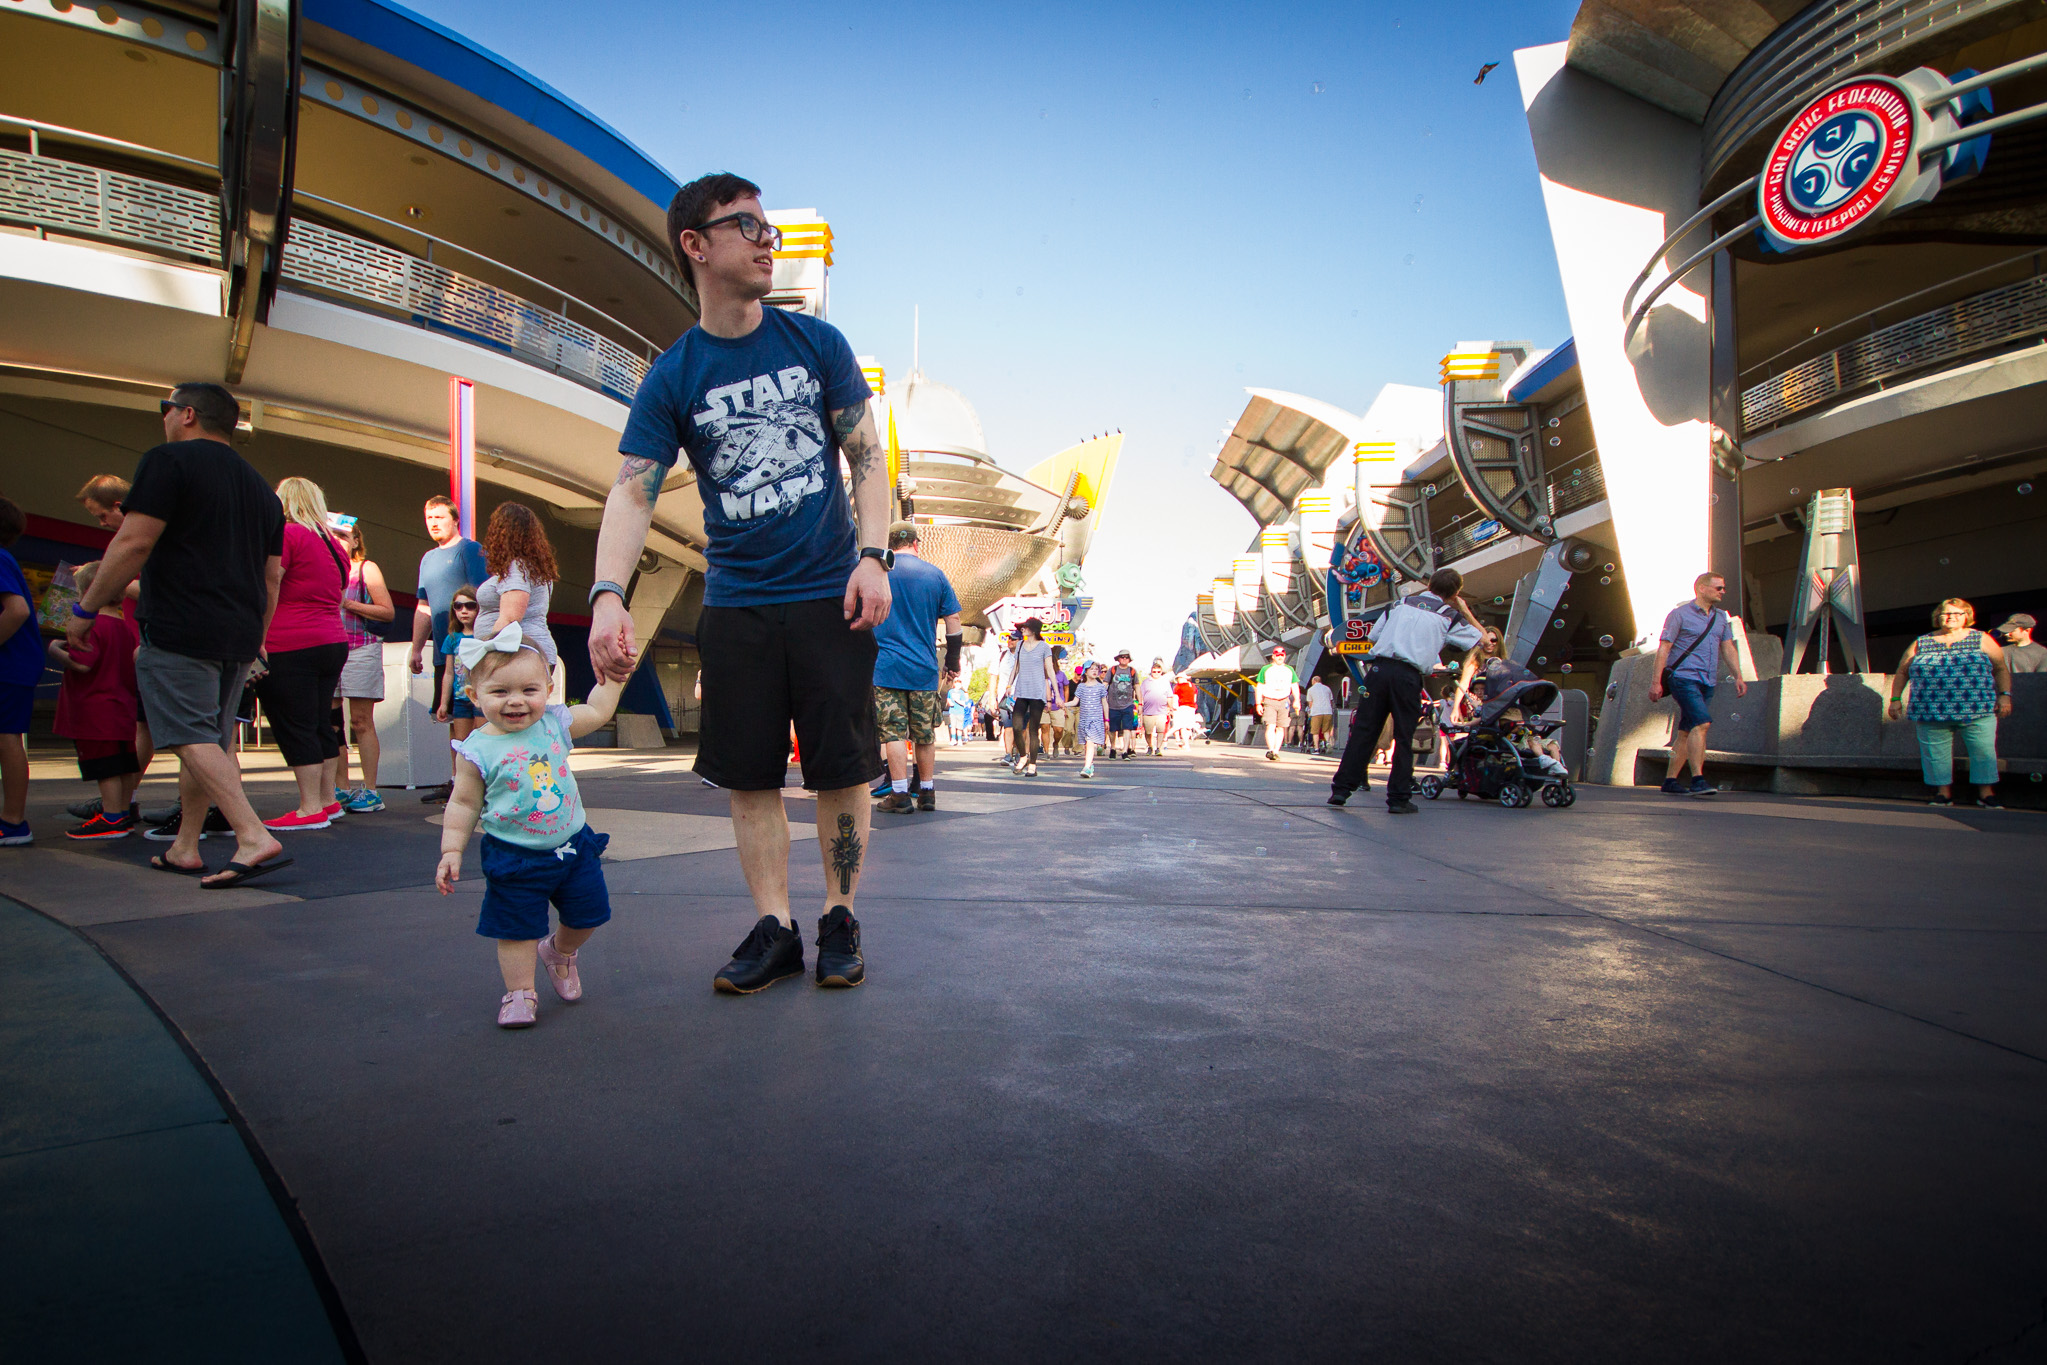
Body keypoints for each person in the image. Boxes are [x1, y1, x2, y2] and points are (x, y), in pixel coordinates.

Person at [590, 171, 892, 994]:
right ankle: (776, 926)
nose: (769, 241)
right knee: (749, 774)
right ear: (695, 245)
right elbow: (631, 490)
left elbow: (867, 460)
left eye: (769, 228)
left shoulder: (814, 345)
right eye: (748, 226)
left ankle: (836, 916)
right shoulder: (674, 375)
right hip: (738, 605)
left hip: (829, 592)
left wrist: (875, 555)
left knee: (840, 767)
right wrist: (607, 594)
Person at [68, 383, 290, 886]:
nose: (163, 419)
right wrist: (258, 633)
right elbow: (271, 576)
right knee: (209, 740)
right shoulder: (262, 490)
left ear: (187, 414)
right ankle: (185, 846)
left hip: (181, 624)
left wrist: (86, 607)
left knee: (188, 736)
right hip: (239, 631)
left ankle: (252, 835)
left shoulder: (167, 462)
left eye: (165, 410)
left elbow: (133, 541)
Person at [435, 626, 625, 1027]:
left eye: (529, 690)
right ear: (474, 696)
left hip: (572, 847)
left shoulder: (554, 725)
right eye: (500, 692)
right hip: (514, 857)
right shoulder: (477, 749)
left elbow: (599, 710)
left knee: (588, 915)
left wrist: (616, 676)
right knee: (517, 930)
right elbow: (464, 802)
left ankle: (559, 951)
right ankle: (520, 992)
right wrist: (451, 849)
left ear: (549, 689)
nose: (516, 701)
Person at [1329, 568, 1484, 813]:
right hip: (1408, 677)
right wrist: (1463, 608)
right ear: (1455, 592)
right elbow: (1483, 640)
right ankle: (1398, 798)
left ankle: (1341, 790)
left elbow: (1374, 634)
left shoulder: (1399, 604)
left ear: (1430, 583)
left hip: (1378, 671)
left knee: (1364, 731)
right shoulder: (1448, 615)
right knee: (1404, 736)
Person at [251, 478, 352, 831]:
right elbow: (339, 595)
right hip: (331, 640)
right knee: (320, 720)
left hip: (290, 642)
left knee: (294, 725)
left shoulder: (288, 535)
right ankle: (327, 800)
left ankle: (310, 807)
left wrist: (258, 636)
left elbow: (271, 580)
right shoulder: (335, 546)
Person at [68, 475, 158, 821]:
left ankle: (120, 802)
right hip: (135, 637)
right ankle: (121, 799)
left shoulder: (140, 539)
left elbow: (155, 591)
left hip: (146, 640)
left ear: (118, 507)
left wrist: (107, 583)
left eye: (102, 516)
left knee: (141, 726)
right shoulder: (129, 541)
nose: (102, 523)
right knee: (139, 726)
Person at [870, 521, 962, 814]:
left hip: (886, 667)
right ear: (916, 544)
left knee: (894, 732)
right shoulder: (935, 575)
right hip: (923, 669)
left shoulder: (881, 571)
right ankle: (927, 791)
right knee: (924, 734)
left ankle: (898, 794)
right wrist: (952, 661)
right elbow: (954, 622)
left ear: (890, 545)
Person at [48, 561, 143, 838]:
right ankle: (122, 813)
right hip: (121, 708)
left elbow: (83, 664)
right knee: (124, 763)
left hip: (95, 711)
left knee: (105, 767)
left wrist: (55, 651)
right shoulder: (125, 628)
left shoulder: (94, 626)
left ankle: (111, 817)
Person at [1888, 598, 2013, 808]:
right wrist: (1895, 699)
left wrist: (2005, 695)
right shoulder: (1922, 641)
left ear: (1967, 617)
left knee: (1983, 752)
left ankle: (1986, 794)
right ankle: (1943, 794)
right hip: (1930, 710)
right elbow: (1902, 671)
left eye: (1957, 613)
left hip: (1977, 709)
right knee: (1935, 754)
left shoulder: (1981, 639)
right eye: (1946, 613)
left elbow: (2000, 668)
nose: (1951, 617)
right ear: (1938, 617)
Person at [407, 494, 488, 804]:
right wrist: (417, 649)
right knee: (451, 716)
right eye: (429, 518)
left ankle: (478, 782)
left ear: (455, 520)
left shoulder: (469, 550)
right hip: (445, 650)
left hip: (472, 651)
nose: (434, 523)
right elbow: (424, 606)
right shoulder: (427, 558)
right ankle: (457, 780)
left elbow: (483, 596)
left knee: (476, 717)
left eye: (439, 517)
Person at [1647, 572, 1748, 798]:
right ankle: (1698, 779)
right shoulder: (1679, 615)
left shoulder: (1721, 617)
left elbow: (1728, 647)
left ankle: (1670, 781)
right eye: (1718, 588)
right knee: (1702, 723)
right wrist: (1656, 682)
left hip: (1707, 679)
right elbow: (1664, 648)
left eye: (1723, 588)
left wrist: (1738, 676)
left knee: (1686, 731)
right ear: (1702, 588)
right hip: (1683, 677)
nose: (1723, 591)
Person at [333, 519, 393, 812]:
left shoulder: (365, 568)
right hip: (329, 649)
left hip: (360, 648)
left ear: (356, 540)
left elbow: (387, 611)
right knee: (331, 724)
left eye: (344, 535)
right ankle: (340, 787)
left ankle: (371, 790)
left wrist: (348, 604)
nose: (338, 540)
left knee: (360, 721)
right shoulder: (321, 564)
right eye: (333, 535)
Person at [0, 497, 44, 845]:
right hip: (15, 662)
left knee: (7, 737)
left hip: (9, 664)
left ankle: (13, 822)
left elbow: (16, 610)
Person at [473, 502, 561, 675]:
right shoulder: (531, 568)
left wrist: (488, 657)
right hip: (527, 653)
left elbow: (509, 618)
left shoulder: (516, 567)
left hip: (519, 656)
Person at [1004, 617, 1055, 777]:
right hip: (1021, 692)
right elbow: (1016, 668)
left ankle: (1032, 764)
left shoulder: (1044, 647)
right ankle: (1023, 757)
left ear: (1033, 629)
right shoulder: (1019, 646)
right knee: (1017, 726)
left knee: (1033, 730)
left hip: (1037, 693)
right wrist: (1009, 685)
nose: (1022, 630)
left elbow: (1050, 670)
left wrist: (1056, 695)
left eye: (1025, 627)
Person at [435, 589, 483, 741]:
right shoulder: (452, 638)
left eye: (470, 606)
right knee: (461, 743)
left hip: (482, 697)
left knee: (483, 740)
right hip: (460, 699)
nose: (464, 611)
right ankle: (457, 766)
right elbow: (449, 673)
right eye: (458, 606)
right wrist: (443, 704)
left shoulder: (485, 636)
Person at [1254, 645, 1300, 761]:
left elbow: (1294, 685)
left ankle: (1276, 751)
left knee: (1281, 727)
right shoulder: (1266, 669)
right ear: (1273, 656)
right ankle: (1271, 749)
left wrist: (1297, 700)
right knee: (1271, 725)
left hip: (1284, 700)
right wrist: (1258, 703)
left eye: (1282, 655)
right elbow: (1259, 686)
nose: (1280, 657)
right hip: (1269, 700)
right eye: (1277, 655)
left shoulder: (1289, 670)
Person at [1075, 661, 1110, 777]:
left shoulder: (1100, 687)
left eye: (1096, 669)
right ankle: (1090, 764)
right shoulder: (1081, 687)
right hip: (1084, 719)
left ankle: (1086, 767)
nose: (1095, 671)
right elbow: (1076, 701)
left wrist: (1107, 720)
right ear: (1085, 672)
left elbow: (1105, 703)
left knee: (1090, 741)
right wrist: (1064, 704)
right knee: (1086, 743)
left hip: (1096, 719)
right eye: (1092, 669)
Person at [1106, 649, 1140, 759]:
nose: (1124, 659)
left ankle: (1125, 750)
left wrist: (1140, 703)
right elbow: (1105, 684)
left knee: (1127, 728)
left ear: (1129, 659)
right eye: (1122, 657)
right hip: (1113, 704)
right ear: (1118, 659)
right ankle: (1113, 748)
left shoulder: (1132, 671)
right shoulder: (1113, 670)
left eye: (1126, 657)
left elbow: (1137, 687)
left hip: (1128, 704)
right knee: (1112, 729)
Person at [1139, 657, 1175, 755]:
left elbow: (1169, 696)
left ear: (1161, 672)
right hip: (1148, 711)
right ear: (1151, 671)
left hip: (1161, 711)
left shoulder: (1165, 682)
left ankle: (1158, 748)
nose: (1156, 673)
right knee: (1148, 732)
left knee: (1160, 731)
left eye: (1158, 671)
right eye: (1154, 671)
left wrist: (1170, 708)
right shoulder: (1146, 682)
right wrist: (1140, 706)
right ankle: (1150, 746)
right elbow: (1140, 695)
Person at [1305, 673, 1335, 754]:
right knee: (1326, 730)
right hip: (1328, 711)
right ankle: (1328, 743)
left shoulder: (1311, 690)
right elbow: (1330, 701)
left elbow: (1310, 703)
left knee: (1315, 732)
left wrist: (1310, 712)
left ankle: (1316, 749)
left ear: (1314, 681)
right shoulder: (1327, 688)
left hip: (1316, 712)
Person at [1172, 672, 1200, 750]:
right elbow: (1195, 698)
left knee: (1183, 727)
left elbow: (1175, 698)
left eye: (1179, 678)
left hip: (1182, 707)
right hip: (1191, 707)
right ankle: (1186, 743)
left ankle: (1186, 744)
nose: (1178, 680)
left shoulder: (1177, 687)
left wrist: (1174, 707)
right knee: (1188, 727)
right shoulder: (1193, 686)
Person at [946, 677, 972, 747]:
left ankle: (960, 740)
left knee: (959, 727)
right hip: (952, 711)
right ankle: (953, 739)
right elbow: (948, 699)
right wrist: (950, 703)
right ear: (954, 684)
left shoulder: (962, 693)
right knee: (953, 726)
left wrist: (957, 700)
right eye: (956, 683)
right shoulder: (950, 691)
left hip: (960, 712)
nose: (958, 685)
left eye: (959, 684)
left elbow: (964, 703)